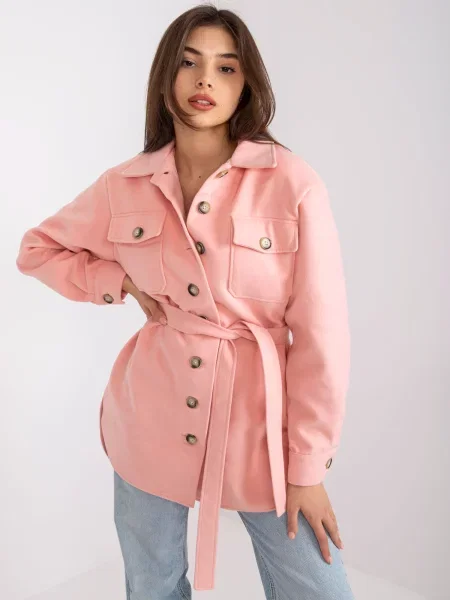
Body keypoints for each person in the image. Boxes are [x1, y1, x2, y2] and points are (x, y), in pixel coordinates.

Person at [16, 4, 354, 599]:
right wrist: (119, 282)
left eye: (226, 68)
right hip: (149, 416)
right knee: (153, 585)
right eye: (189, 63)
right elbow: (37, 249)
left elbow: (322, 337)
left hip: (259, 426)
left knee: (318, 588)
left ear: (246, 84)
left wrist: (306, 468)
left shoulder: (291, 182)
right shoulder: (123, 185)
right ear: (165, 77)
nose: (205, 81)